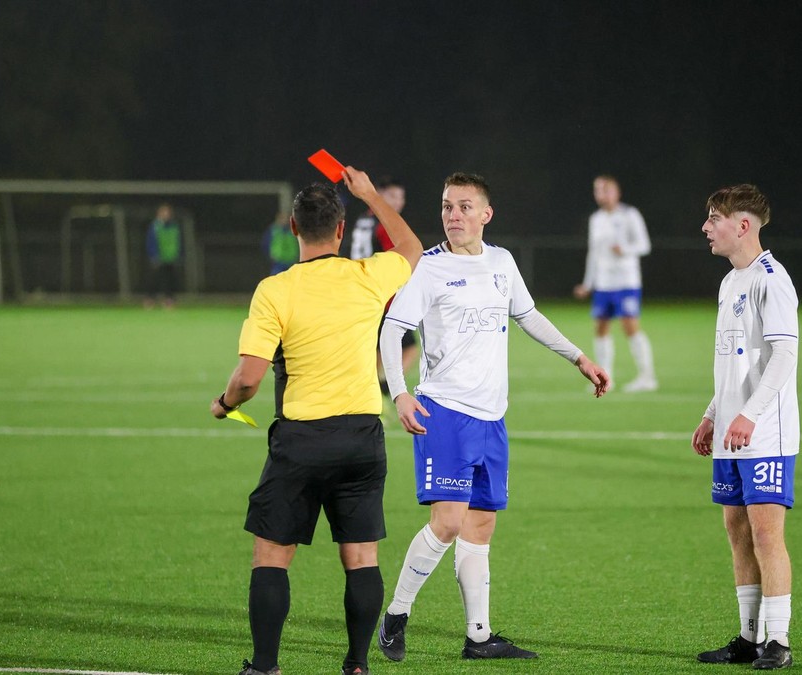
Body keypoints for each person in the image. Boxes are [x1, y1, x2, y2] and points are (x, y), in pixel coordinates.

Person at [375, 172, 611, 662]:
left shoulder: (502, 262)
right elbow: (393, 328)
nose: (453, 215)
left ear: (486, 214)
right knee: (447, 523)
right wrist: (398, 393)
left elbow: (528, 316)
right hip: (443, 412)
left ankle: (478, 637)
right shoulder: (430, 268)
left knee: (480, 527)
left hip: (492, 418)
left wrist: (579, 358)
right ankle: (397, 613)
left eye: (464, 206)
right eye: (446, 206)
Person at [210, 167, 423, 675]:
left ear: (292, 228)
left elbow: (248, 381)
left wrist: (224, 402)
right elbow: (413, 248)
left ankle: (264, 667)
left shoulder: (274, 290)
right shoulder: (368, 276)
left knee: (271, 555)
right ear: (342, 230)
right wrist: (370, 193)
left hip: (301, 440)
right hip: (361, 437)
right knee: (361, 557)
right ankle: (355, 665)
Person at [691, 184, 798, 670]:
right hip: (732, 431)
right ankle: (748, 637)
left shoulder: (771, 280)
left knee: (766, 534)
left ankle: (779, 642)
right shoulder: (730, 281)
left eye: (715, 218)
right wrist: (713, 414)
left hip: (765, 433)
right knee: (737, 531)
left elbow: (784, 357)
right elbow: (732, 366)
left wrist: (749, 416)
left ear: (743, 225)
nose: (706, 227)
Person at [572, 174, 657, 392]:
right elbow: (593, 253)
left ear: (616, 192)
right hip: (603, 283)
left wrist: (625, 249)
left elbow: (644, 245)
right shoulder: (596, 219)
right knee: (600, 328)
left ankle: (647, 377)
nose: (602, 194)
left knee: (630, 326)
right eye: (598, 190)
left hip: (626, 281)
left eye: (606, 189)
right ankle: (604, 377)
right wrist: (587, 283)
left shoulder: (630, 215)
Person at [342, 177, 420, 388]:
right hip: (381, 294)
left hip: (358, 291)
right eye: (392, 196)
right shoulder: (387, 226)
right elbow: (398, 258)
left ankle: (375, 386)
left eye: (401, 197)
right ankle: (385, 387)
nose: (398, 202)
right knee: (409, 347)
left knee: (375, 349)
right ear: (380, 194)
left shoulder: (362, 220)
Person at [145, 203, 183, 308]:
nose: (166, 214)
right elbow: (150, 241)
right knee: (155, 279)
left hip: (170, 257)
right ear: (159, 214)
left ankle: (169, 300)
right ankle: (150, 299)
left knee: (170, 280)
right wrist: (153, 255)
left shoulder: (174, 226)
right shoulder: (155, 226)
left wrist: (178, 254)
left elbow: (177, 241)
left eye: (167, 212)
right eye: (164, 212)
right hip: (157, 257)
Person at [262, 210, 299, 275]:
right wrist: (271, 257)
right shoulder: (273, 230)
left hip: (291, 262)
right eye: (282, 218)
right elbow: (265, 245)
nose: (285, 220)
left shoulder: (293, 231)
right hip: (277, 262)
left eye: (287, 218)